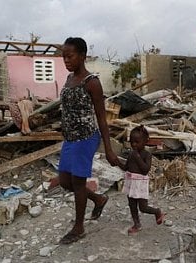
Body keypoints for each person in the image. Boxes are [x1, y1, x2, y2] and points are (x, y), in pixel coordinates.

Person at [58, 37, 120, 244]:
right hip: (70, 138)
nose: (66, 60)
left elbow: (102, 118)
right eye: (63, 56)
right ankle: (99, 199)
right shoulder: (68, 79)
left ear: (83, 56)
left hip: (86, 137)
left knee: (77, 182)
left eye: (70, 56)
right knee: (66, 181)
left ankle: (78, 228)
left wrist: (109, 149)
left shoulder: (92, 82)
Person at [118, 125, 166, 235]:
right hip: (130, 181)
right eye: (132, 142)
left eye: (137, 142)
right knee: (132, 205)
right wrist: (116, 162)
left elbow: (145, 170)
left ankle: (157, 212)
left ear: (145, 142)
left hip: (140, 183)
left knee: (143, 207)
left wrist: (137, 157)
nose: (134, 145)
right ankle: (136, 224)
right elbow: (126, 167)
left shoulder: (146, 154)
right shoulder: (131, 154)